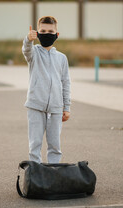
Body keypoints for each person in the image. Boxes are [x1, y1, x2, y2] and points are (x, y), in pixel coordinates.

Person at [22, 16, 71, 164]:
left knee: (55, 146)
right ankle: (36, 176)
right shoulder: (34, 54)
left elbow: (66, 83)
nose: (47, 34)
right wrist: (28, 40)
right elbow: (26, 50)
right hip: (35, 106)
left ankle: (54, 175)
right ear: (37, 33)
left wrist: (66, 107)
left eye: (50, 31)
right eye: (43, 31)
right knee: (35, 144)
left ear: (57, 35)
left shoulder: (62, 58)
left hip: (56, 108)